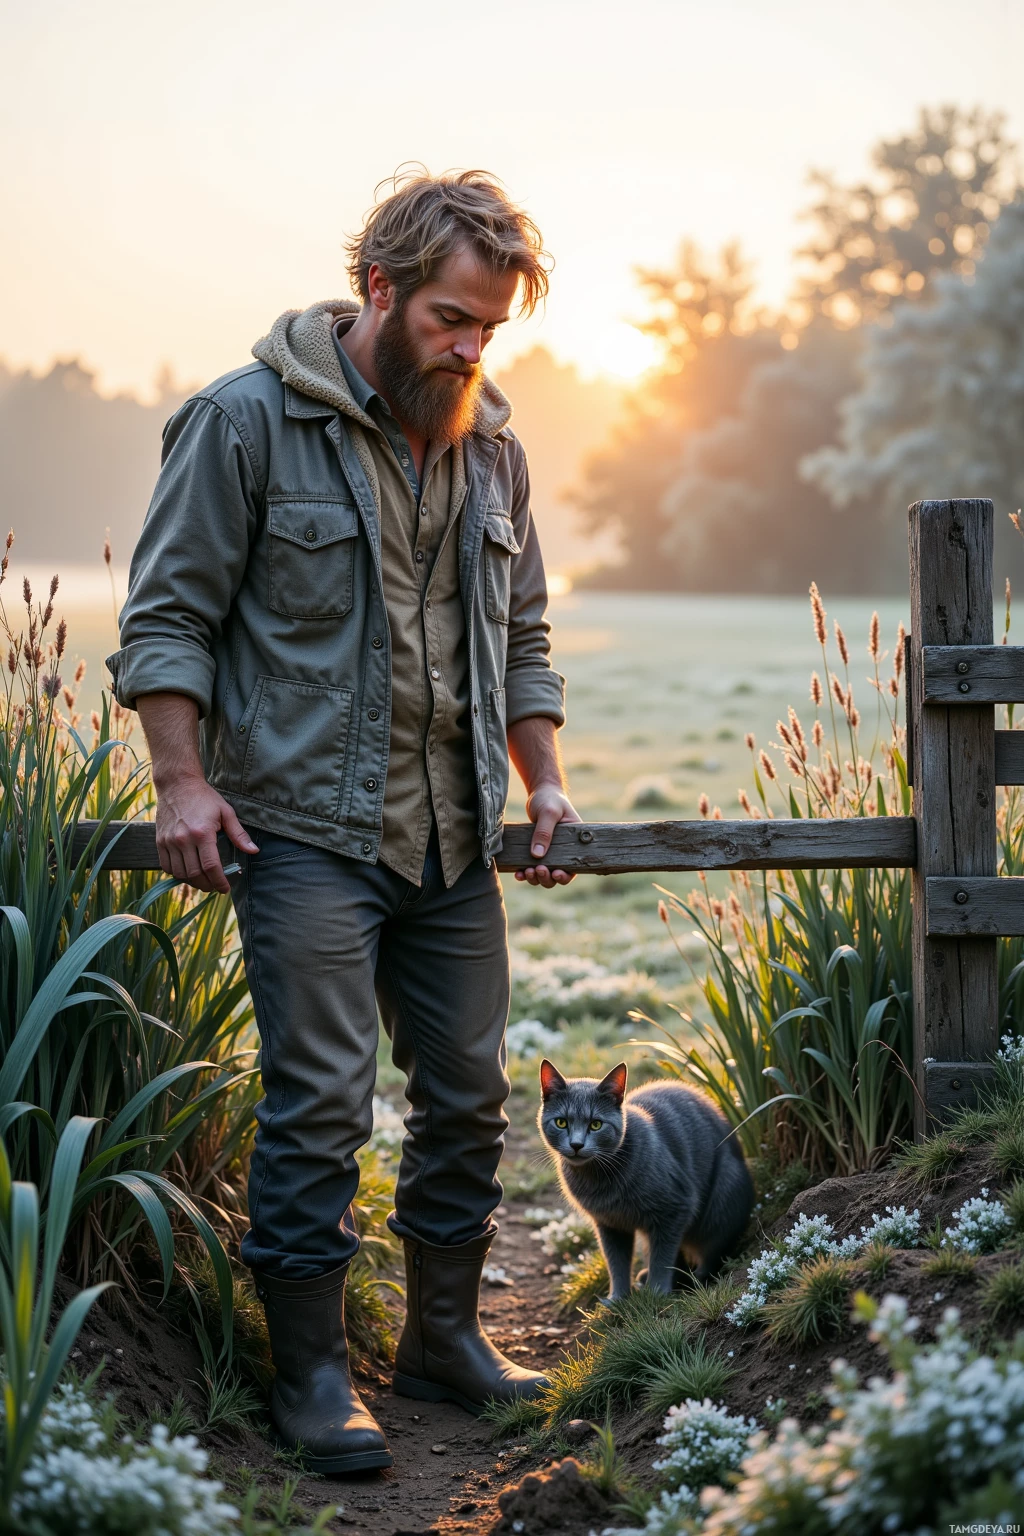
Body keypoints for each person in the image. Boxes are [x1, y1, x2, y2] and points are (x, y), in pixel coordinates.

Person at [107, 169, 579, 1474]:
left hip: (452, 836)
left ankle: (441, 1339)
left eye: (492, 327)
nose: (473, 347)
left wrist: (541, 784)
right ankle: (310, 1374)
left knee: (474, 1095)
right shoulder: (243, 423)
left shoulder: (494, 449)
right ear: (378, 287)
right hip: (304, 831)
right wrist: (182, 782)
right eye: (450, 318)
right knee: (320, 1102)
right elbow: (168, 620)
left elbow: (524, 636)